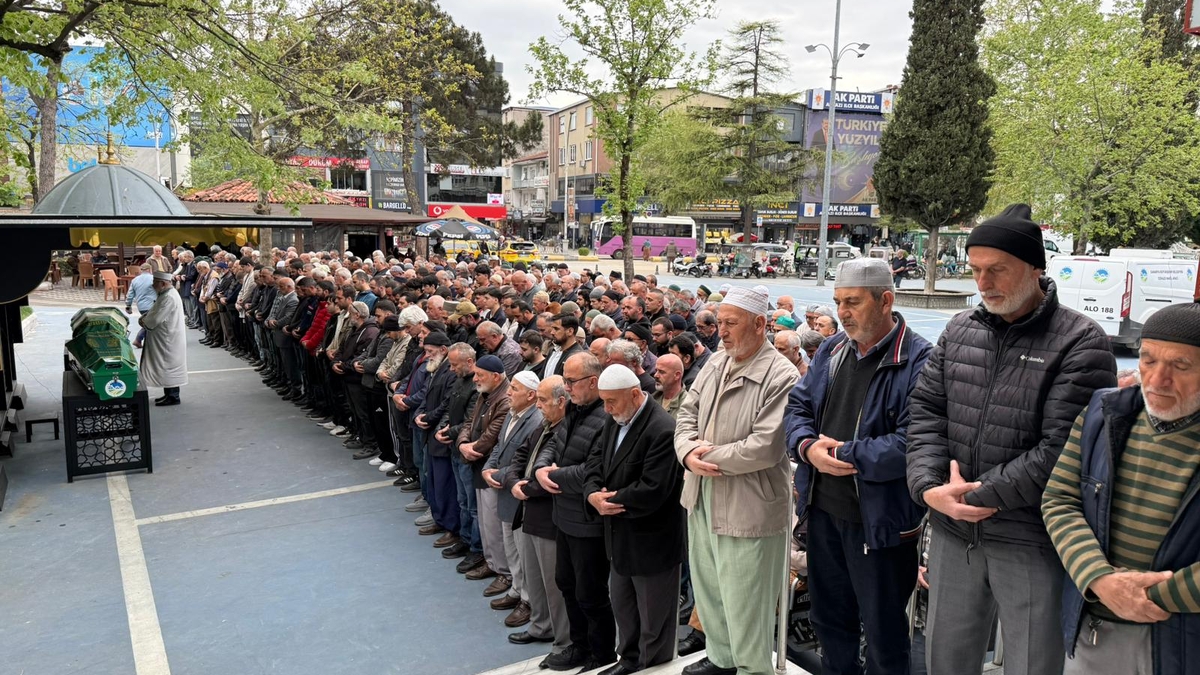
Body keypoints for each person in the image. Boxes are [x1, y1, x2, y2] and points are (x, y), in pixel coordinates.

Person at [906, 204, 1118, 675]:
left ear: (1035, 268)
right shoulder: (961, 329)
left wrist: (973, 495)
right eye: (976, 269)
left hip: (1030, 538)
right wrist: (927, 487)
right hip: (952, 531)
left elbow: (1063, 449)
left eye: (997, 270)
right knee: (946, 658)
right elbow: (924, 413)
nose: (983, 282)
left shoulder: (1081, 342)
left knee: (1030, 662)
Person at [785, 258, 932, 675]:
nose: (842, 312)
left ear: (886, 300)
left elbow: (911, 442)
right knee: (830, 625)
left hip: (880, 527)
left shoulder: (920, 359)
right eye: (838, 302)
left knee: (885, 635)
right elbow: (797, 407)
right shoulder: (833, 350)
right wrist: (807, 447)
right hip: (823, 515)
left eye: (852, 302)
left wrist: (842, 455)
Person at [1042, 302, 1200, 675]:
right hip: (1097, 628)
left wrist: (1143, 596)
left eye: (1181, 366)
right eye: (1147, 360)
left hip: (1184, 636)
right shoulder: (1104, 413)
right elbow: (1059, 500)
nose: (1157, 379)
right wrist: (1099, 579)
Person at [674, 285, 798, 675]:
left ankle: (751, 669)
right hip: (702, 491)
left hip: (750, 503)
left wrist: (703, 456)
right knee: (710, 589)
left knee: (746, 600)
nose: (721, 331)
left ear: (760, 324)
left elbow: (764, 447)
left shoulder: (782, 375)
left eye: (731, 323)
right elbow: (685, 414)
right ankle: (722, 659)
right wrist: (686, 451)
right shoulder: (715, 362)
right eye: (719, 323)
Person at [584, 364, 684, 675]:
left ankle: (651, 667)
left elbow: (653, 489)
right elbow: (594, 462)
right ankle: (627, 661)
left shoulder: (662, 428)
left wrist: (608, 500)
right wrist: (591, 495)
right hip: (619, 537)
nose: (606, 408)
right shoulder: (615, 419)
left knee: (654, 619)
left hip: (652, 542)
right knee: (624, 608)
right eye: (603, 400)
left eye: (611, 401)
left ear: (635, 394)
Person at [533, 352, 614, 672]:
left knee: (591, 592)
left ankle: (601, 653)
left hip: (587, 521)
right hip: (564, 515)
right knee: (566, 583)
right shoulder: (575, 410)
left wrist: (552, 476)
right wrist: (541, 467)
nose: (565, 388)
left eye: (571, 381)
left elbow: (594, 472)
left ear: (593, 382)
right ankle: (579, 646)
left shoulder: (606, 417)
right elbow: (554, 443)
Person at [501, 376, 573, 658]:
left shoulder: (564, 430)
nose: (538, 405)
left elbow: (555, 475)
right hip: (528, 510)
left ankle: (563, 639)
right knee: (534, 577)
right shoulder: (543, 427)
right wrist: (513, 482)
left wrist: (525, 488)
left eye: (543, 400)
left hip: (549, 516)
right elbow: (518, 458)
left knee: (554, 583)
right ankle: (540, 625)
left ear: (561, 401)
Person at [482, 371, 545, 628]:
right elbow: (500, 445)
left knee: (522, 552)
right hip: (505, 490)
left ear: (531, 395)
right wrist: (488, 466)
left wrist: (496, 473)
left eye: (515, 389)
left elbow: (524, 458)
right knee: (511, 549)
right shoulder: (512, 412)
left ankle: (528, 601)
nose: (509, 392)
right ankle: (517, 590)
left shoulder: (535, 420)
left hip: (518, 494)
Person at [139, 271, 188, 406]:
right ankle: (168, 394)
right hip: (165, 337)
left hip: (168, 338)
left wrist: (144, 321)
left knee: (168, 366)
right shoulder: (165, 294)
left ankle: (173, 396)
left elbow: (155, 318)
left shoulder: (169, 297)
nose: (153, 285)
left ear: (163, 283)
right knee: (165, 366)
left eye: (155, 283)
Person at [124, 263, 155, 348]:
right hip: (152, 304)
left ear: (141, 270)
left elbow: (130, 294)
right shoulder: (153, 279)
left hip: (141, 306)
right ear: (149, 269)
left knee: (149, 323)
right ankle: (138, 339)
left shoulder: (135, 280)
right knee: (151, 324)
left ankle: (145, 340)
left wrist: (128, 305)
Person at [652, 353, 686, 418]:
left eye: (661, 372)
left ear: (677, 375)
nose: (656, 375)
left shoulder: (687, 405)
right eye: (656, 371)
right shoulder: (652, 399)